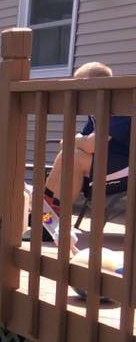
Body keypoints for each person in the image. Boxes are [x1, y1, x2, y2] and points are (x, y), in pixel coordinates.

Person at [37, 62, 129, 234]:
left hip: (127, 170)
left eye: (79, 88)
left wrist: (75, 141)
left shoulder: (120, 107)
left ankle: (52, 221)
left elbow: (91, 144)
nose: (76, 95)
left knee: (74, 156)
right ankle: (45, 215)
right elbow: (80, 140)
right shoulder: (95, 109)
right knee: (67, 155)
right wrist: (77, 141)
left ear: (93, 87)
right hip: (106, 166)